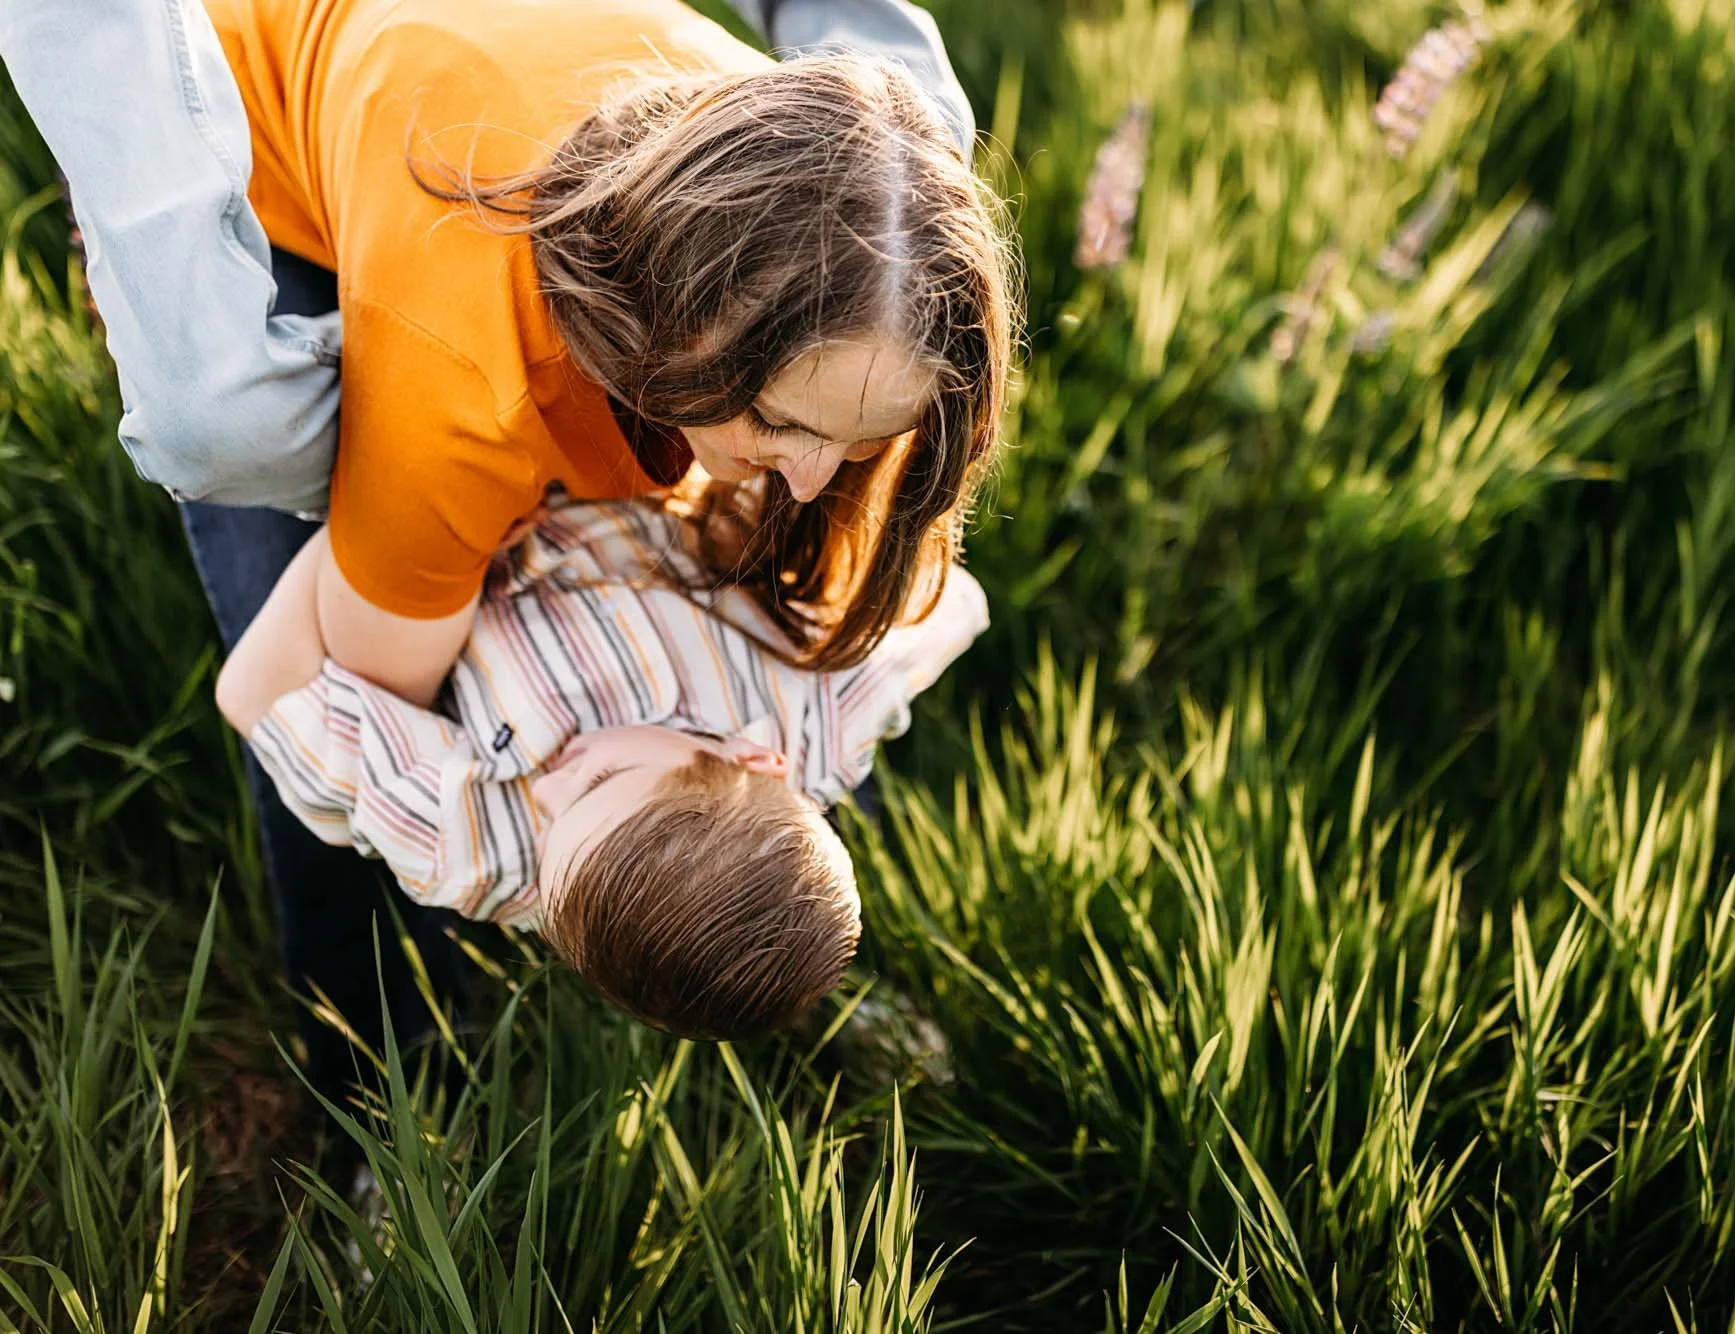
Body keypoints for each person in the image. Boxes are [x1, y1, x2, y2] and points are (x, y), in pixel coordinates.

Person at [0, 0, 1016, 1101]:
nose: (816, 474)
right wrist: (537, 862)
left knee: (807, 593)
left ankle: (822, 983)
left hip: (522, 74)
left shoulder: (862, 278)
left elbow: (869, 601)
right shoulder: (463, 384)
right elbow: (343, 694)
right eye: (784, 429)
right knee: (282, 549)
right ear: (686, 342)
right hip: (296, 125)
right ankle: (382, 1080)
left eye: (855, 434)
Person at [215, 497, 989, 1040]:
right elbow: (937, 609)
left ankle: (389, 1095)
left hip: (417, 513)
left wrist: (394, 503)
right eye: (595, 785)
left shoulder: (484, 845)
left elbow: (257, 692)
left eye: (551, 832)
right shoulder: (813, 717)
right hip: (609, 450)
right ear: (752, 758)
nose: (546, 784)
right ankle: (841, 993)